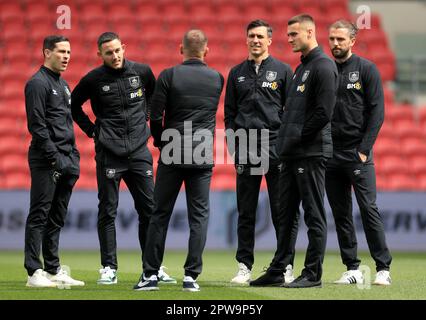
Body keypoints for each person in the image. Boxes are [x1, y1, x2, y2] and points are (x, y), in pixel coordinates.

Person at [71, 32, 175, 285]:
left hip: (139, 152)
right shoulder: (93, 79)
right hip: (109, 153)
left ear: (124, 48)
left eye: (118, 50)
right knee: (108, 210)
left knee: (149, 210)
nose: (115, 56)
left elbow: (154, 96)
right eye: (109, 52)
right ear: (100, 54)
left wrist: (147, 119)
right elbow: (74, 105)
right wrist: (93, 131)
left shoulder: (142, 71)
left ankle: (153, 267)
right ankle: (108, 267)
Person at [250, 14, 338, 288]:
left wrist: (297, 137)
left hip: (309, 153)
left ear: (310, 32)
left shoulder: (323, 66)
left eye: (293, 34)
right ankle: (279, 268)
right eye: (288, 35)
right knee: (284, 214)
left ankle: (312, 273)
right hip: (289, 154)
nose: (288, 39)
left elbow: (324, 113)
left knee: (313, 214)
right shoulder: (301, 68)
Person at [134, 29, 224, 292]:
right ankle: (191, 277)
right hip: (202, 153)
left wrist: (162, 141)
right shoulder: (217, 78)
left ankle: (150, 275)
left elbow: (155, 116)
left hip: (173, 151)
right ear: (206, 51)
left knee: (159, 214)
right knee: (199, 217)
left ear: (180, 49)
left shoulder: (168, 75)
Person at [224, 19, 297, 285]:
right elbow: (229, 114)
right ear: (246, 40)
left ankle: (285, 265)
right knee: (246, 211)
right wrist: (234, 145)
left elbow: (292, 112)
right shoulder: (236, 73)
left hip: (275, 148)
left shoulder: (283, 71)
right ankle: (245, 266)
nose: (255, 40)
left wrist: (286, 146)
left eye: (260, 36)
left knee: (283, 211)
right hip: (246, 149)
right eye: (251, 36)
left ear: (269, 40)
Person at [326, 20, 392, 286]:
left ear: (352, 41)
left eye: (340, 39)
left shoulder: (366, 69)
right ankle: (352, 267)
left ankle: (383, 268)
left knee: (368, 209)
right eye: (332, 39)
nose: (335, 44)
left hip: (357, 153)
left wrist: (364, 149)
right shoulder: (324, 69)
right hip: (330, 155)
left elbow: (377, 112)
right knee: (340, 213)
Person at [24, 35, 84, 287]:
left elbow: (66, 124)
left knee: (57, 217)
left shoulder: (64, 85)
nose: (66, 56)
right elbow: (37, 126)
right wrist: (54, 157)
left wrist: (73, 156)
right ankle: (33, 272)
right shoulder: (37, 83)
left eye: (68, 52)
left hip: (67, 158)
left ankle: (52, 268)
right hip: (46, 160)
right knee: (40, 214)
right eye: (61, 51)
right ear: (46, 52)